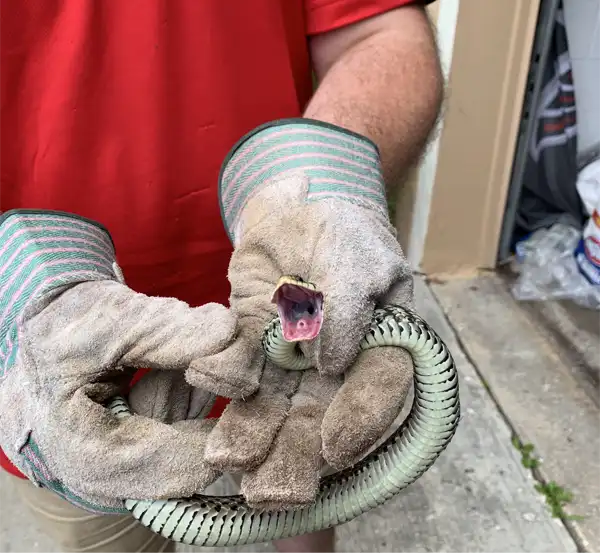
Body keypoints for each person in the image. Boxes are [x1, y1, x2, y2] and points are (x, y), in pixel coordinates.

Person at [0, 1, 443, 552]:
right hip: (68, 372)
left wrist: (328, 190)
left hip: (294, 314)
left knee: (302, 494)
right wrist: (16, 287)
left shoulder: (300, 312)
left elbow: (377, 32)